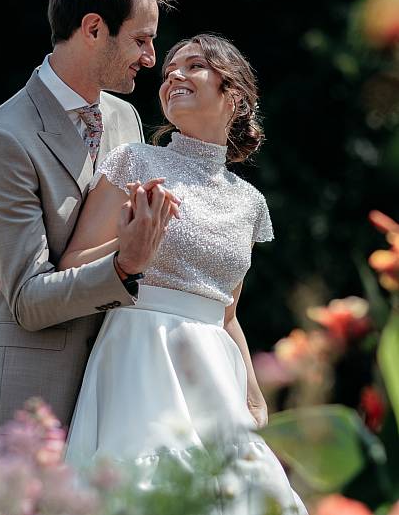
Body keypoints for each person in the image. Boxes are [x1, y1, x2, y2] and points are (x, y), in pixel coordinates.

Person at [59, 33, 308, 514]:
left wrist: (255, 400)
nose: (172, 74)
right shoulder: (136, 161)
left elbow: (227, 312)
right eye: (169, 68)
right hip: (140, 354)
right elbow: (72, 265)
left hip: (217, 372)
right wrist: (131, 244)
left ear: (232, 94)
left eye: (193, 66)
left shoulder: (249, 203)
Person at [0, 0, 178, 428]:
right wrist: (124, 264)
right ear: (94, 28)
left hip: (121, 399)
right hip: (38, 409)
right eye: (141, 40)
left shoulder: (126, 118)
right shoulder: (4, 140)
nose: (150, 58)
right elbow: (27, 302)